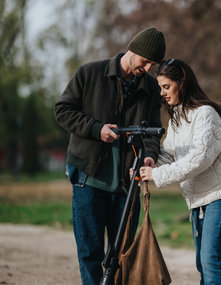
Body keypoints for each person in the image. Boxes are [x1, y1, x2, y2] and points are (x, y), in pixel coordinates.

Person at [54, 27, 166, 285]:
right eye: (145, 61)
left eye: (153, 64)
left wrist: (149, 156)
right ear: (132, 49)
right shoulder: (89, 73)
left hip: (128, 185)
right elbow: (63, 110)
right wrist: (96, 129)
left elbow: (152, 132)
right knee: (90, 253)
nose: (148, 68)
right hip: (89, 179)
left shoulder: (150, 87)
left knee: (121, 255)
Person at [139, 58, 221, 285]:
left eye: (166, 87)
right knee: (202, 262)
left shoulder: (205, 114)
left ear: (182, 83)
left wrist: (157, 176)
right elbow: (168, 153)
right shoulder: (178, 116)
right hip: (198, 199)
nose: (162, 93)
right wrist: (149, 166)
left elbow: (199, 159)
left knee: (210, 261)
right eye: (160, 88)